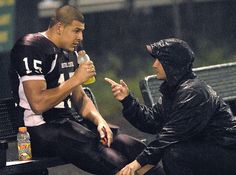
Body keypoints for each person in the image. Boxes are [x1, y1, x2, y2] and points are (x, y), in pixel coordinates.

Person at [10, 5, 146, 175]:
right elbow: (38, 104)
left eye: (82, 31)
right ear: (59, 27)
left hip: (67, 124)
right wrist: (76, 79)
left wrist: (99, 121)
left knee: (132, 148)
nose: (80, 37)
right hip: (38, 131)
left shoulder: (70, 51)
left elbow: (80, 97)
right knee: (113, 160)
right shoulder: (31, 47)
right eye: (76, 31)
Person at [105, 38, 236, 175]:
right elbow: (152, 122)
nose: (154, 65)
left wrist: (136, 164)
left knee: (175, 153)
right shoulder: (174, 90)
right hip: (207, 151)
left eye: (159, 60)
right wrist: (127, 100)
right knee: (130, 144)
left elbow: (169, 136)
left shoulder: (193, 93)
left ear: (171, 64)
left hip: (226, 151)